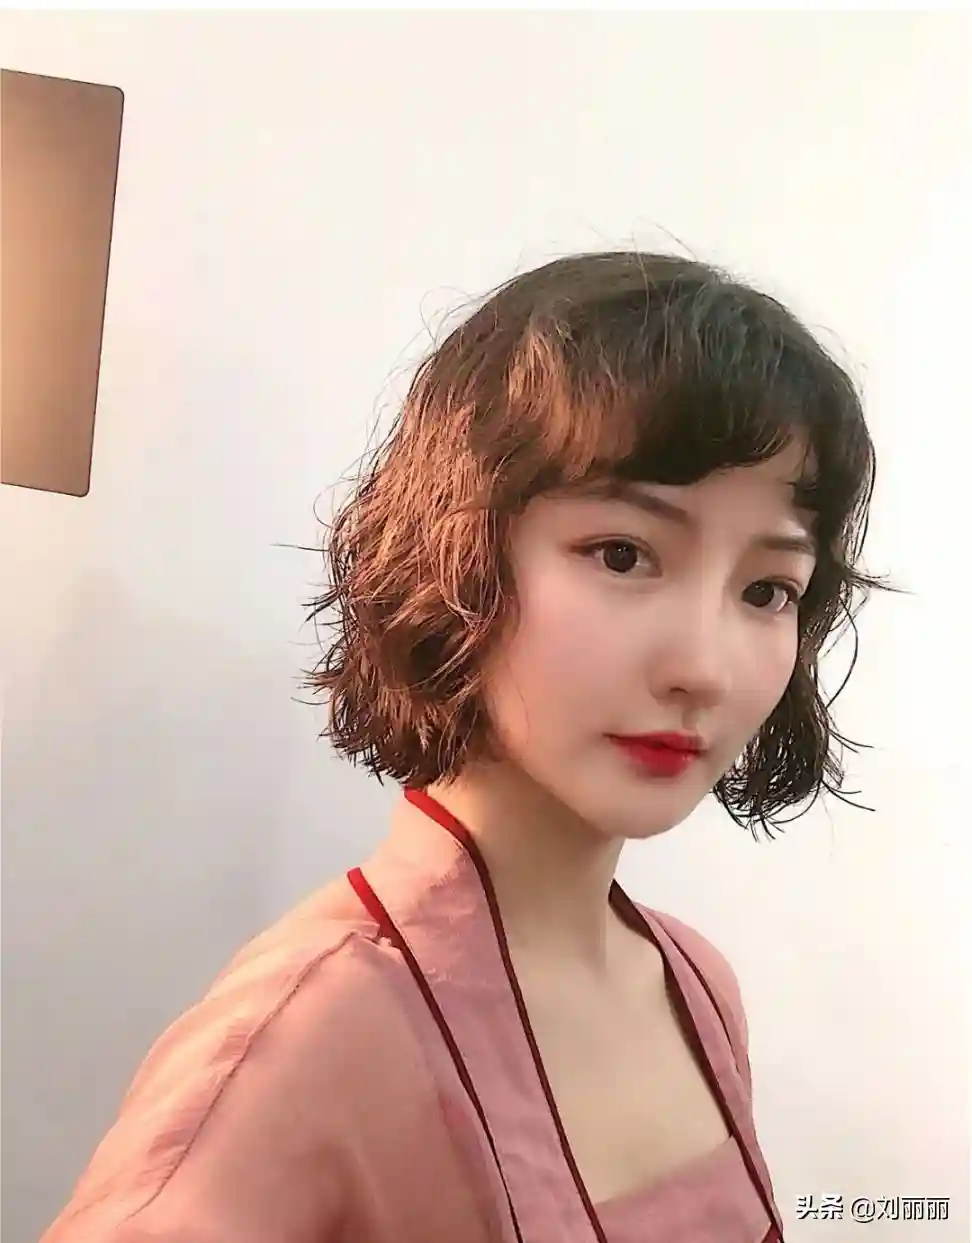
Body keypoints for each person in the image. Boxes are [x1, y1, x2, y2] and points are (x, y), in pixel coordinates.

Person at [41, 251, 880, 1243]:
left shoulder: (696, 985)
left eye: (767, 590)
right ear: (458, 551)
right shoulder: (316, 1030)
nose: (704, 666)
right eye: (623, 554)